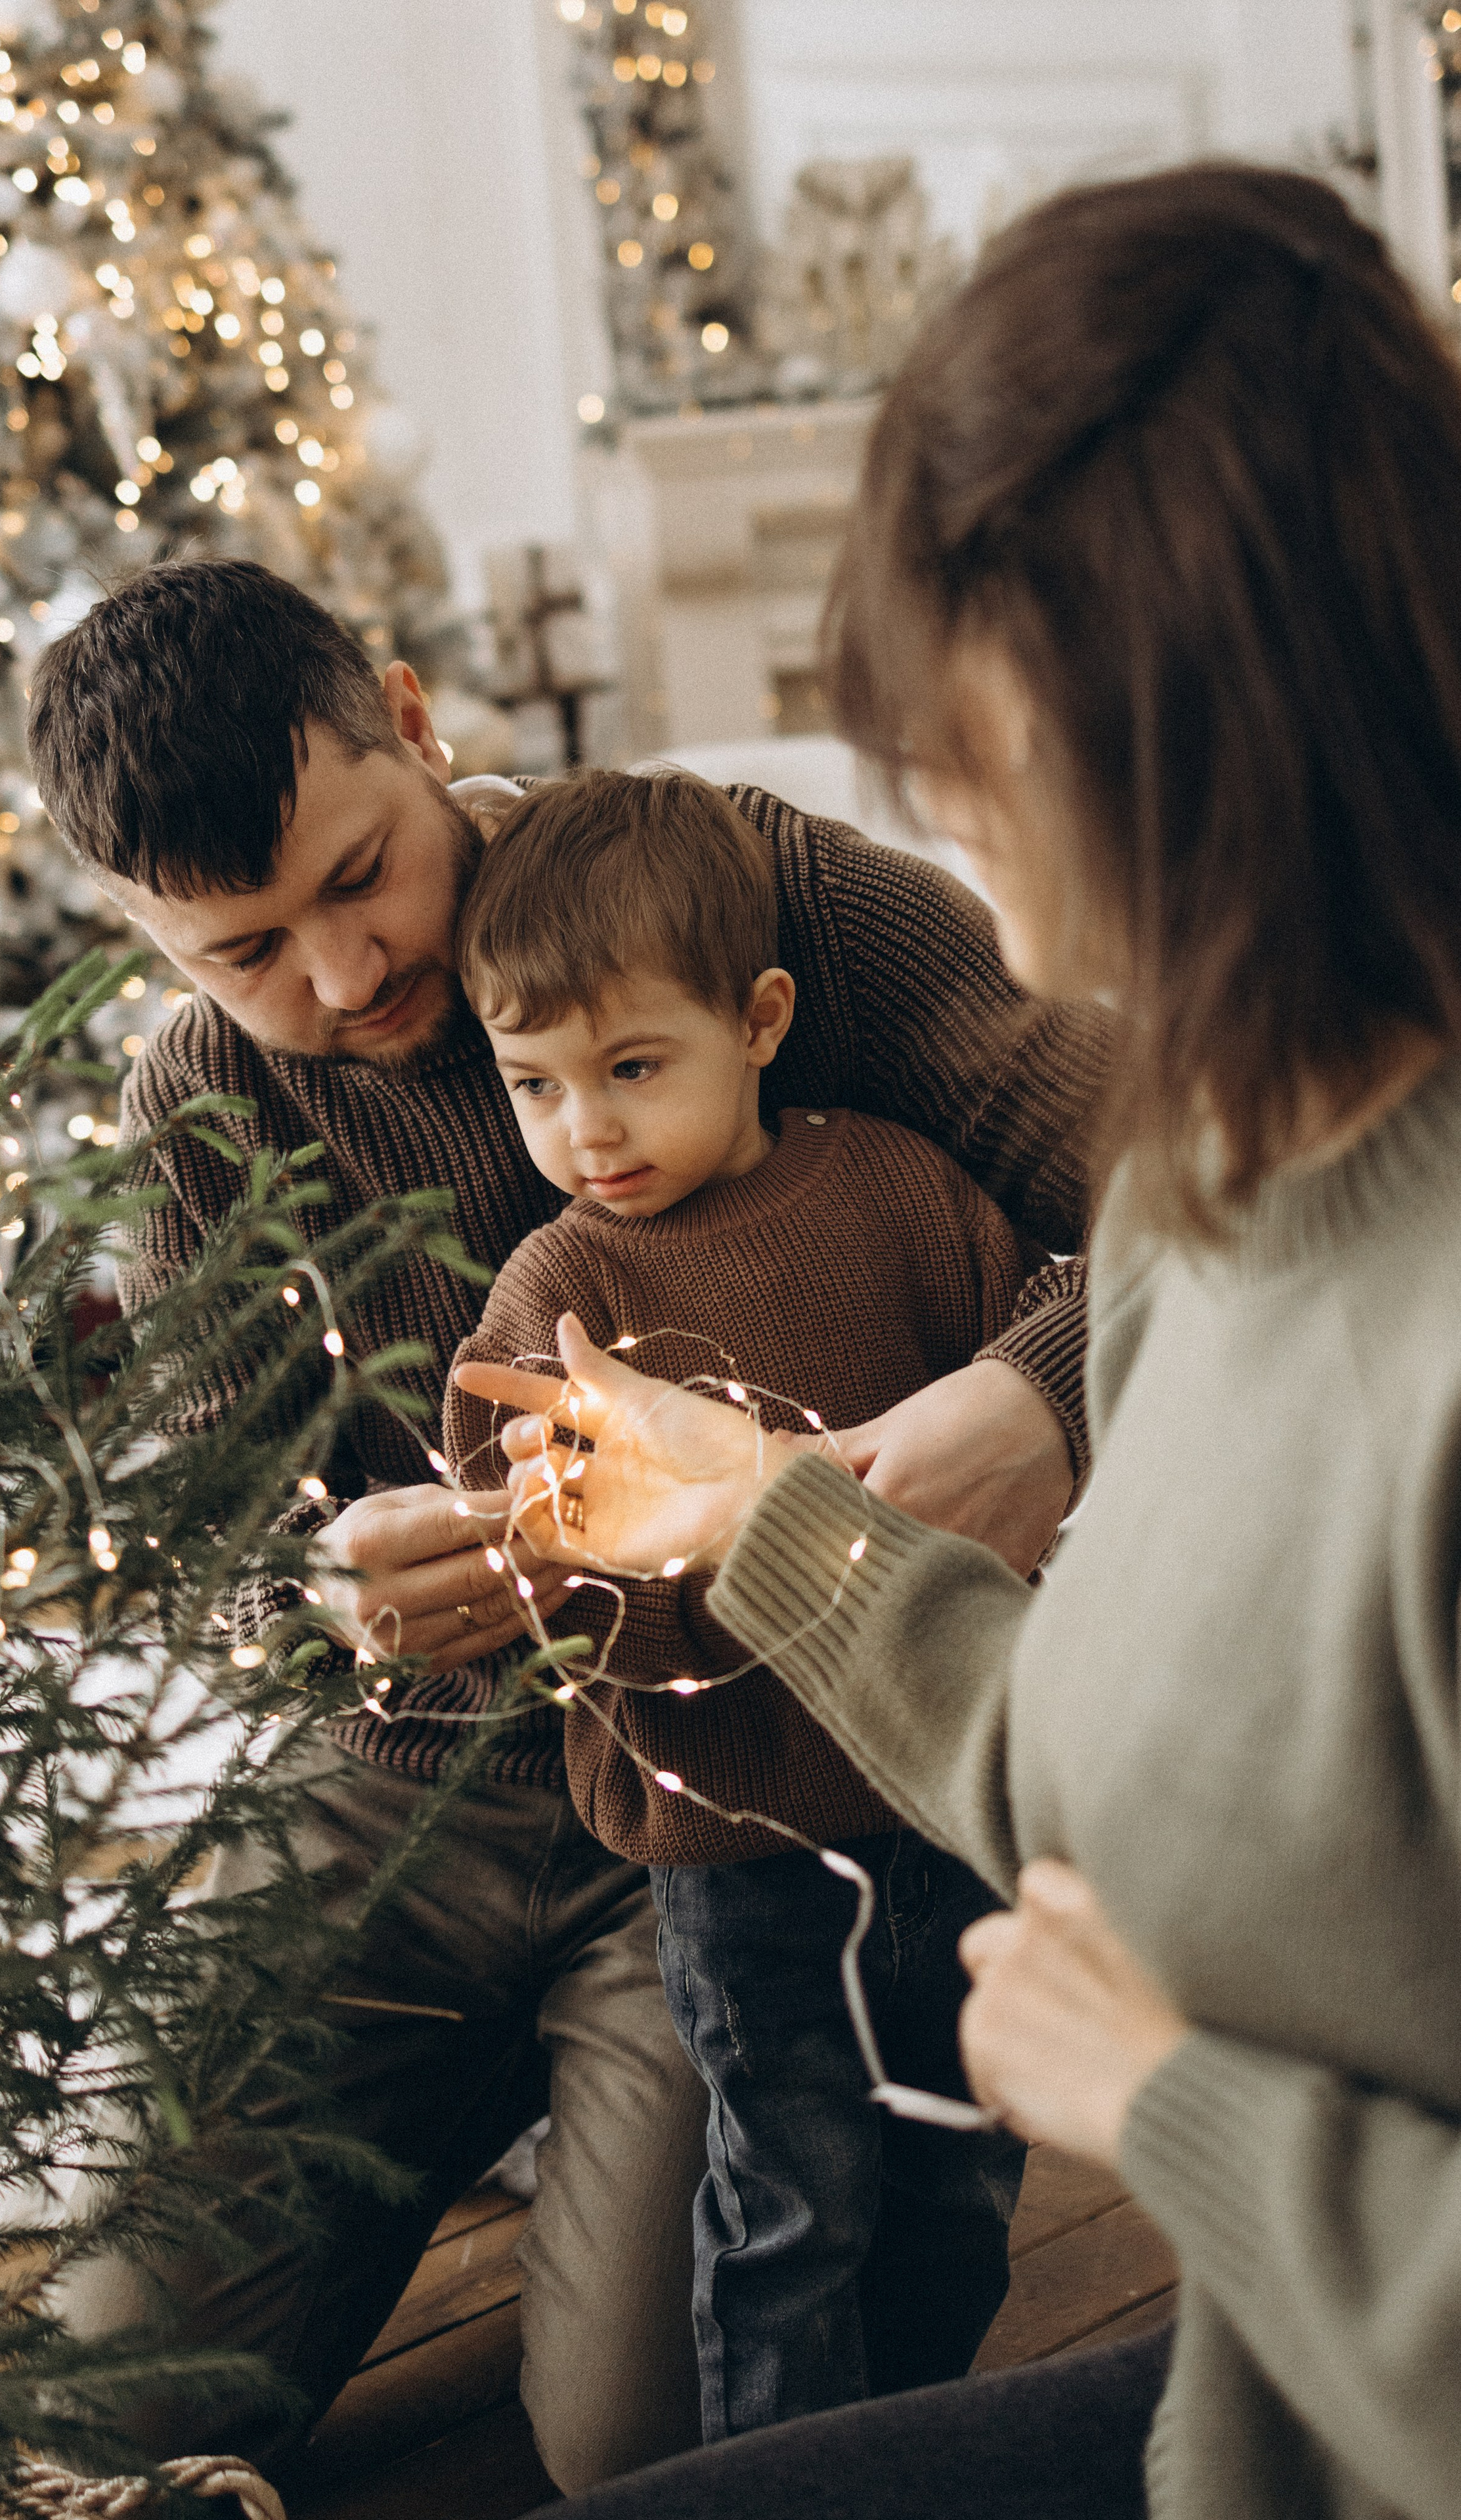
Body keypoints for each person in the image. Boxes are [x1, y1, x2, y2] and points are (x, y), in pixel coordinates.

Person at [462, 162, 1461, 2520]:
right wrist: (756, 1512)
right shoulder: (1208, 1175)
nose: (921, 797)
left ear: (1197, 713)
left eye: (971, 735)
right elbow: (1118, 1778)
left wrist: (1168, 2107)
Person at [25, 557, 1106, 2492]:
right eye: (244, 949)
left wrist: (1039, 1387)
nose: (339, 975)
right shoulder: (199, 1096)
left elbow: (1205, 1182)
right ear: (145, 936)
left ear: (413, 719)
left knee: (661, 2440)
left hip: (755, 1795)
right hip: (400, 1786)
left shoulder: (762, 890)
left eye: (360, 874)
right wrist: (311, 1590)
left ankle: (610, 2099)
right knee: (100, 2398)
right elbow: (213, 1534)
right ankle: (529, 2095)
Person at [443, 766, 1034, 2439]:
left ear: (759, 1019)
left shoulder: (905, 1195)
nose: (585, 1130)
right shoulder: (558, 1293)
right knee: (791, 2204)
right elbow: (549, 1599)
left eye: (632, 1067)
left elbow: (1019, 1477)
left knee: (956, 2178)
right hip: (740, 1848)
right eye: (535, 1084)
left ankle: (905, 2451)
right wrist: (641, 1582)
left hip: (949, 1795)